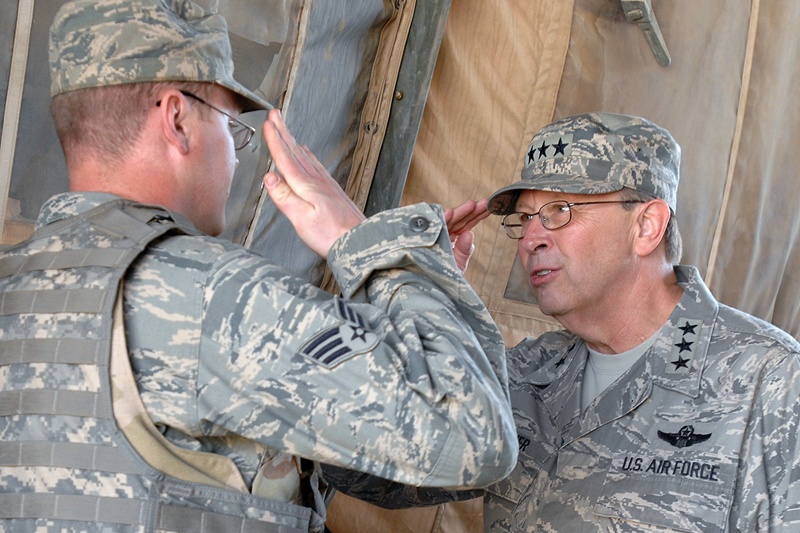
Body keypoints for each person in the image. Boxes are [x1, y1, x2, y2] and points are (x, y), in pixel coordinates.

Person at [0, 0, 517, 531]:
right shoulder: (210, 294)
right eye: (230, 124)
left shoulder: (13, 286)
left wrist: (417, 297)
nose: (234, 150)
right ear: (176, 119)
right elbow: (473, 440)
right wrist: (377, 253)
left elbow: (356, 457)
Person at [441, 112, 800, 531]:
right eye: (525, 218)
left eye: (559, 210)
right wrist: (427, 297)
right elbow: (379, 472)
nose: (531, 238)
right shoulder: (525, 373)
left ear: (646, 227)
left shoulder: (770, 383)